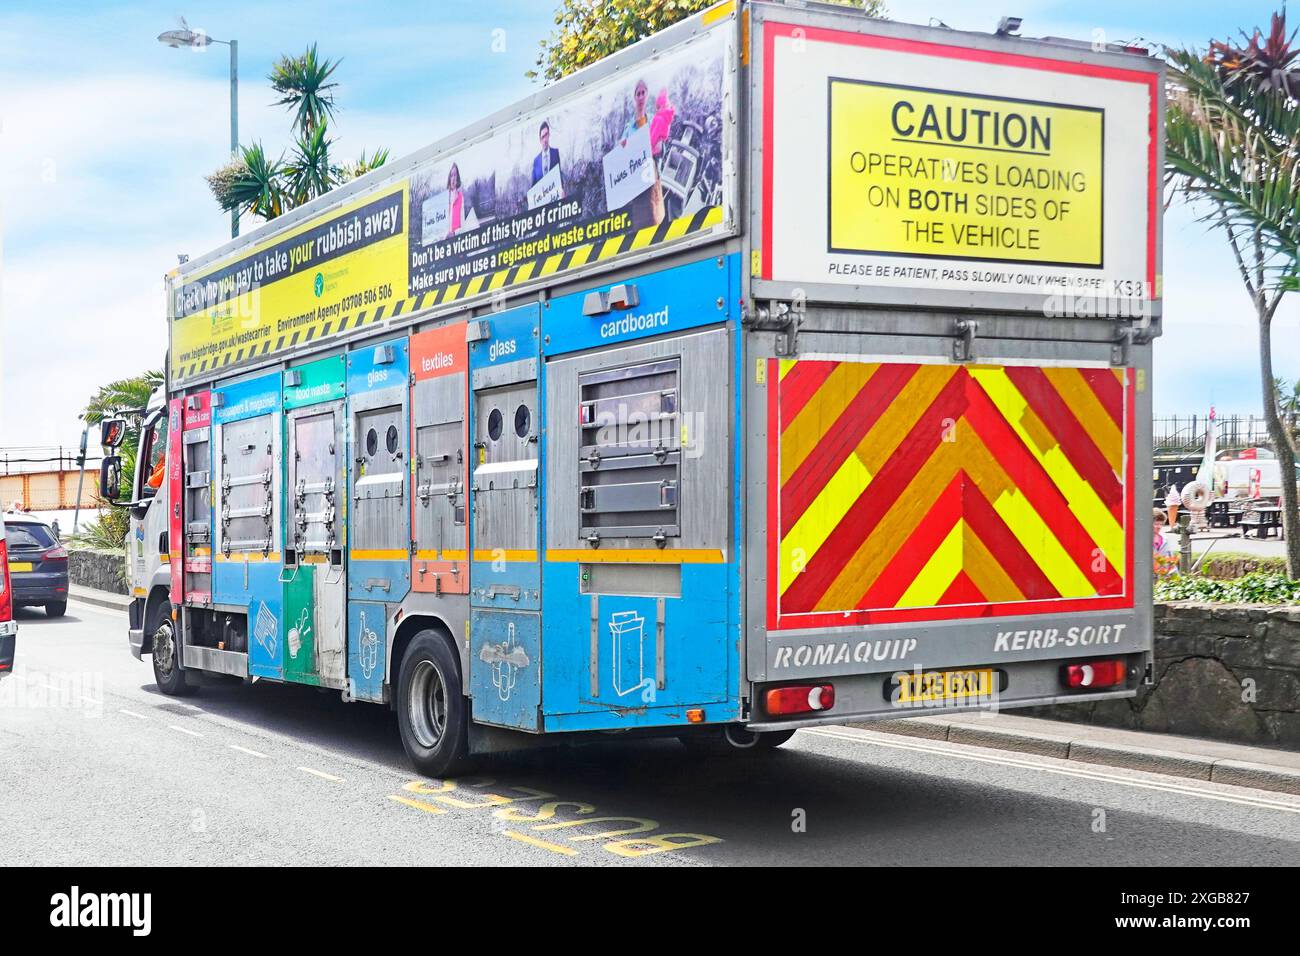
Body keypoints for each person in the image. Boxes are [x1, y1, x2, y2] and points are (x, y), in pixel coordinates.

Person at [620, 79, 666, 228]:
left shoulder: (654, 121)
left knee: (654, 220)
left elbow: (660, 148)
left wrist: (652, 146)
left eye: (642, 93)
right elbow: (621, 153)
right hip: (635, 185)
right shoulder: (628, 128)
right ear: (634, 98)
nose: (640, 97)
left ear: (646, 96)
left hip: (651, 179)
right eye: (637, 94)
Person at [531, 120, 562, 187]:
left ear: (549, 135)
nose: (545, 140)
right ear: (540, 140)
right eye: (542, 137)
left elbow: (559, 175)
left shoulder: (555, 153)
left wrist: (562, 190)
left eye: (546, 135)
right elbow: (533, 185)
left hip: (555, 195)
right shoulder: (536, 161)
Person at [1153, 507, 1179, 577]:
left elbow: (1171, 561)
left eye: (1161, 524)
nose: (1159, 527)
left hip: (1163, 579)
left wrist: (1177, 578)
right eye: (1156, 524)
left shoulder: (1165, 539)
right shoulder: (1143, 540)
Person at [446, 163, 465, 236]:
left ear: (458, 177)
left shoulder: (460, 197)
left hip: (456, 238)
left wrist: (454, 233)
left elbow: (462, 223)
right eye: (451, 175)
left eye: (455, 175)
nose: (453, 178)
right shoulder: (445, 197)